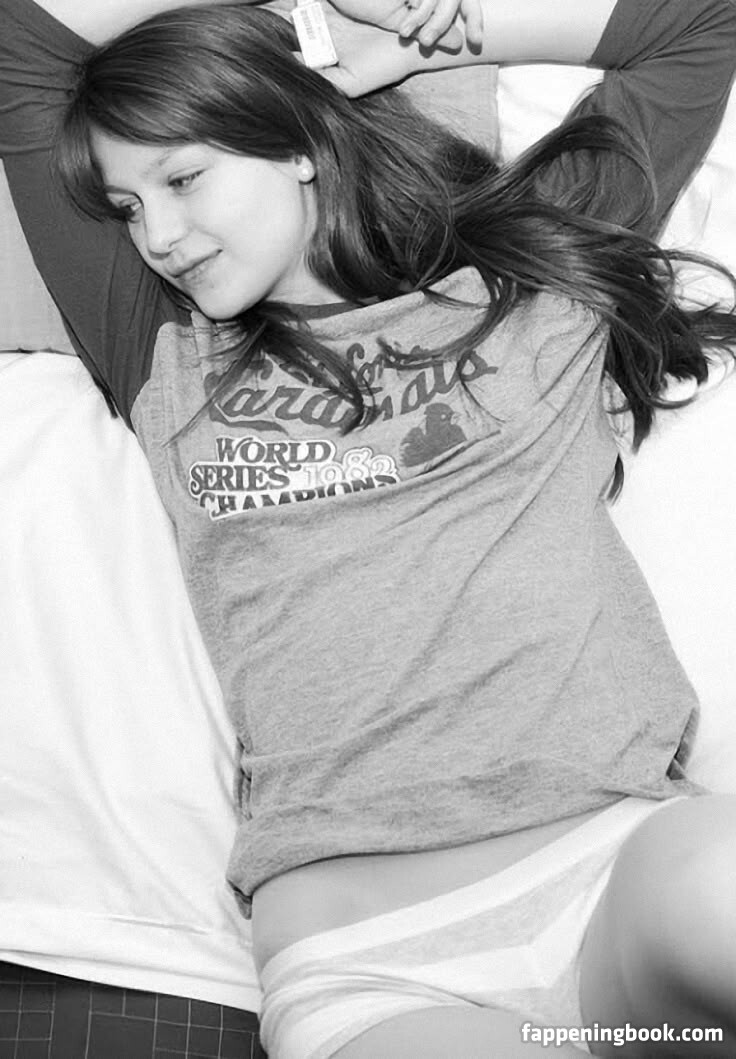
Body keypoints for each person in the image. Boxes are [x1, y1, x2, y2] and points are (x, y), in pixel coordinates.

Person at [2, 0, 736, 1054]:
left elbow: (696, 25)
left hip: (616, 864)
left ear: (297, 142)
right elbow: (21, 39)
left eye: (184, 179)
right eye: (126, 207)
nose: (157, 236)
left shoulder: (530, 278)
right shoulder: (162, 347)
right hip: (372, 951)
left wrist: (403, 38)